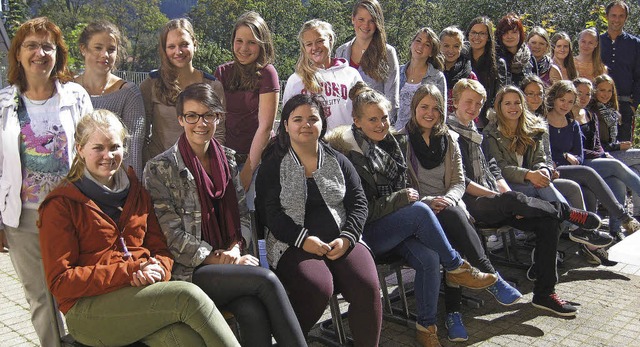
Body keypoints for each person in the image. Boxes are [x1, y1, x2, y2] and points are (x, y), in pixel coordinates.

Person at [39, 110, 239, 347]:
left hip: (140, 297)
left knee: (186, 340)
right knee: (188, 296)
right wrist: (130, 271)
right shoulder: (61, 204)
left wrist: (157, 272)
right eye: (98, 148)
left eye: (114, 147)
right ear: (80, 149)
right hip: (87, 310)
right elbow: (61, 281)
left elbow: (161, 250)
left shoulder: (136, 192)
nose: (108, 155)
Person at [326, 81, 498, 347]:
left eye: (384, 118)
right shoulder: (349, 156)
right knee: (418, 210)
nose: (381, 124)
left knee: (429, 257)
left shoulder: (392, 144)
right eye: (372, 119)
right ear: (357, 122)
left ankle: (426, 326)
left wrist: (409, 199)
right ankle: (455, 266)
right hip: (364, 233)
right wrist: (401, 198)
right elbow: (362, 212)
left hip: (395, 225)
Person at [143, 83, 306, 347]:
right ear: (181, 119)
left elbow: (242, 213)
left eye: (209, 115)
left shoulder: (228, 160)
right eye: (192, 116)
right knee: (266, 280)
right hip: (190, 270)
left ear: (218, 118)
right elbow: (170, 235)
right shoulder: (160, 168)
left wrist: (234, 249)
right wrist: (218, 257)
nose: (201, 123)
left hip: (230, 262)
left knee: (252, 309)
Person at [447, 78, 600, 317]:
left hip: (496, 200)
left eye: (478, 104)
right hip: (471, 204)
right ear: (455, 102)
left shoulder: (476, 133)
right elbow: (462, 182)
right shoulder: (449, 133)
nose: (474, 108)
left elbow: (494, 170)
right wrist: (502, 198)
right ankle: (568, 213)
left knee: (548, 222)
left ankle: (544, 294)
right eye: (468, 102)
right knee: (514, 200)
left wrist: (507, 197)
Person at [255, 94, 382, 346]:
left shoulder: (338, 160)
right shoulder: (272, 165)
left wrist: (348, 238)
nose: (305, 124)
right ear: (286, 125)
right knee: (318, 288)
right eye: (297, 119)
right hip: (291, 245)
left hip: (342, 240)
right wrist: (303, 240)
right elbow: (270, 215)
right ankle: (288, 341)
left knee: (367, 287)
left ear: (322, 123)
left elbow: (358, 203)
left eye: (312, 119)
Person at [401, 84, 522, 342]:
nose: (430, 113)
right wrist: (428, 200)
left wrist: (448, 198)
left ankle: (454, 314)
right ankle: (493, 279)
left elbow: (458, 181)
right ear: (414, 109)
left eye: (435, 108)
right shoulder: (402, 141)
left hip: (449, 204)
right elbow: (403, 185)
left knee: (455, 223)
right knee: (455, 220)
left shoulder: (449, 139)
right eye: (424, 107)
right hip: (419, 211)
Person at [0, 17, 93, 346]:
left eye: (47, 46)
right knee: (40, 297)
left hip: (72, 214)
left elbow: (91, 150)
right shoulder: (3, 104)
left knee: (81, 291)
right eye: (31, 46)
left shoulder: (76, 96)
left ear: (59, 54)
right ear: (18, 55)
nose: (39, 53)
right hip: (23, 218)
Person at [483, 85, 609, 248]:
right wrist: (530, 175)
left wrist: (544, 170)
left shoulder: (533, 127)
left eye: (517, 103)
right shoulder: (491, 133)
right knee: (540, 186)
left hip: (535, 180)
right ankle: (578, 228)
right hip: (508, 186)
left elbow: (542, 158)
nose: (513, 107)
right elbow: (500, 168)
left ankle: (583, 240)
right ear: (499, 106)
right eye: (507, 103)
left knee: (571, 187)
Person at [545, 80, 639, 240]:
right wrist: (565, 156)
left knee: (599, 184)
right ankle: (624, 218)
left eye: (569, 101)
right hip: (552, 169)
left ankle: (597, 234)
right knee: (590, 172)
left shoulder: (572, 125)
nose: (565, 105)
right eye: (562, 100)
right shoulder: (543, 123)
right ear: (553, 99)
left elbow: (579, 156)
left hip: (571, 169)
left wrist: (573, 157)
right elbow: (545, 153)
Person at [214, 11, 279, 211]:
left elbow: (265, 126)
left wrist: (248, 171)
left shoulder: (268, 73)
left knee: (252, 213)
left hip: (258, 158)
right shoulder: (222, 72)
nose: (243, 48)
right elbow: (218, 122)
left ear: (262, 44)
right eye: (239, 41)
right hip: (226, 158)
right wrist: (218, 163)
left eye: (251, 42)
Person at [141, 18, 225, 163]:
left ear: (195, 44)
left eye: (184, 44)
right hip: (160, 168)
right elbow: (141, 134)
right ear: (164, 49)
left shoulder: (213, 86)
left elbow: (218, 134)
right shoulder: (151, 84)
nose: (178, 51)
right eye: (171, 46)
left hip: (199, 166)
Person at [75, 21, 146, 177]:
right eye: (98, 48)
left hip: (113, 185)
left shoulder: (128, 94)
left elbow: (132, 150)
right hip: (73, 181)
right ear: (83, 49)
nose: (104, 55)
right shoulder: (67, 90)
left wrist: (130, 191)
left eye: (111, 49)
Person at [579, 76, 640, 225]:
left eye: (609, 91)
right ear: (595, 91)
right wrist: (618, 147)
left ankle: (620, 225)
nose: (605, 94)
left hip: (606, 153)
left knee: (636, 169)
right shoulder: (593, 111)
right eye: (601, 90)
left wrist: (617, 145)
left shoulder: (609, 111)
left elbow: (600, 143)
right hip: (600, 156)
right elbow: (594, 146)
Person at [520, 75, 586, 211]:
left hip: (544, 172)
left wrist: (548, 169)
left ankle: (583, 228)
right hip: (524, 176)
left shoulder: (539, 121)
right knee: (584, 176)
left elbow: (545, 153)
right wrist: (537, 172)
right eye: (530, 94)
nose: (535, 98)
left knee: (580, 187)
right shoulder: (516, 119)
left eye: (539, 94)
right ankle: (576, 224)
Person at [282, 19, 362, 130]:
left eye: (319, 41)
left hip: (346, 143)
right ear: (304, 48)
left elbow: (363, 112)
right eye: (309, 44)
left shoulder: (350, 74)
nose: (315, 48)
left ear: (329, 39)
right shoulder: (296, 80)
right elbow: (287, 118)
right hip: (310, 144)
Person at [336, 0, 400, 123]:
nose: (366, 25)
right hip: (345, 124)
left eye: (371, 21)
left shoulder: (387, 53)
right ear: (353, 19)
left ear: (377, 24)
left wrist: (383, 127)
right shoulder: (341, 52)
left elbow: (391, 98)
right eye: (361, 19)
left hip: (375, 125)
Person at [600, 0, 640, 141]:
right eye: (613, 15)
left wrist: (633, 106)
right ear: (607, 16)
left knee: (624, 150)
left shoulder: (635, 44)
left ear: (626, 18)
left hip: (625, 105)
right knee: (600, 148)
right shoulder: (597, 42)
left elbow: (638, 76)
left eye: (621, 16)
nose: (617, 20)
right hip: (599, 105)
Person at [396, 27, 446, 131]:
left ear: (431, 52)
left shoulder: (437, 77)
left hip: (422, 136)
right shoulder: (397, 72)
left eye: (427, 45)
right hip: (396, 135)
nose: (420, 46)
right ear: (411, 43)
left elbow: (441, 114)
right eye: (418, 40)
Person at [465, 17, 498, 129]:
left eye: (482, 33)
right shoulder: (462, 59)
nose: (477, 37)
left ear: (488, 37)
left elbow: (499, 93)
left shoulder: (497, 63)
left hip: (487, 122)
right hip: (464, 118)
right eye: (473, 32)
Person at [439, 26, 477, 114]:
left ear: (461, 47)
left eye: (456, 46)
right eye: (446, 46)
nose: (451, 50)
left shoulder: (469, 76)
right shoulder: (431, 72)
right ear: (439, 46)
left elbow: (475, 104)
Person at [495, 13, 532, 88]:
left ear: (520, 34)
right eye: (505, 33)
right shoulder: (494, 57)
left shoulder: (529, 57)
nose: (509, 36)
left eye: (514, 32)